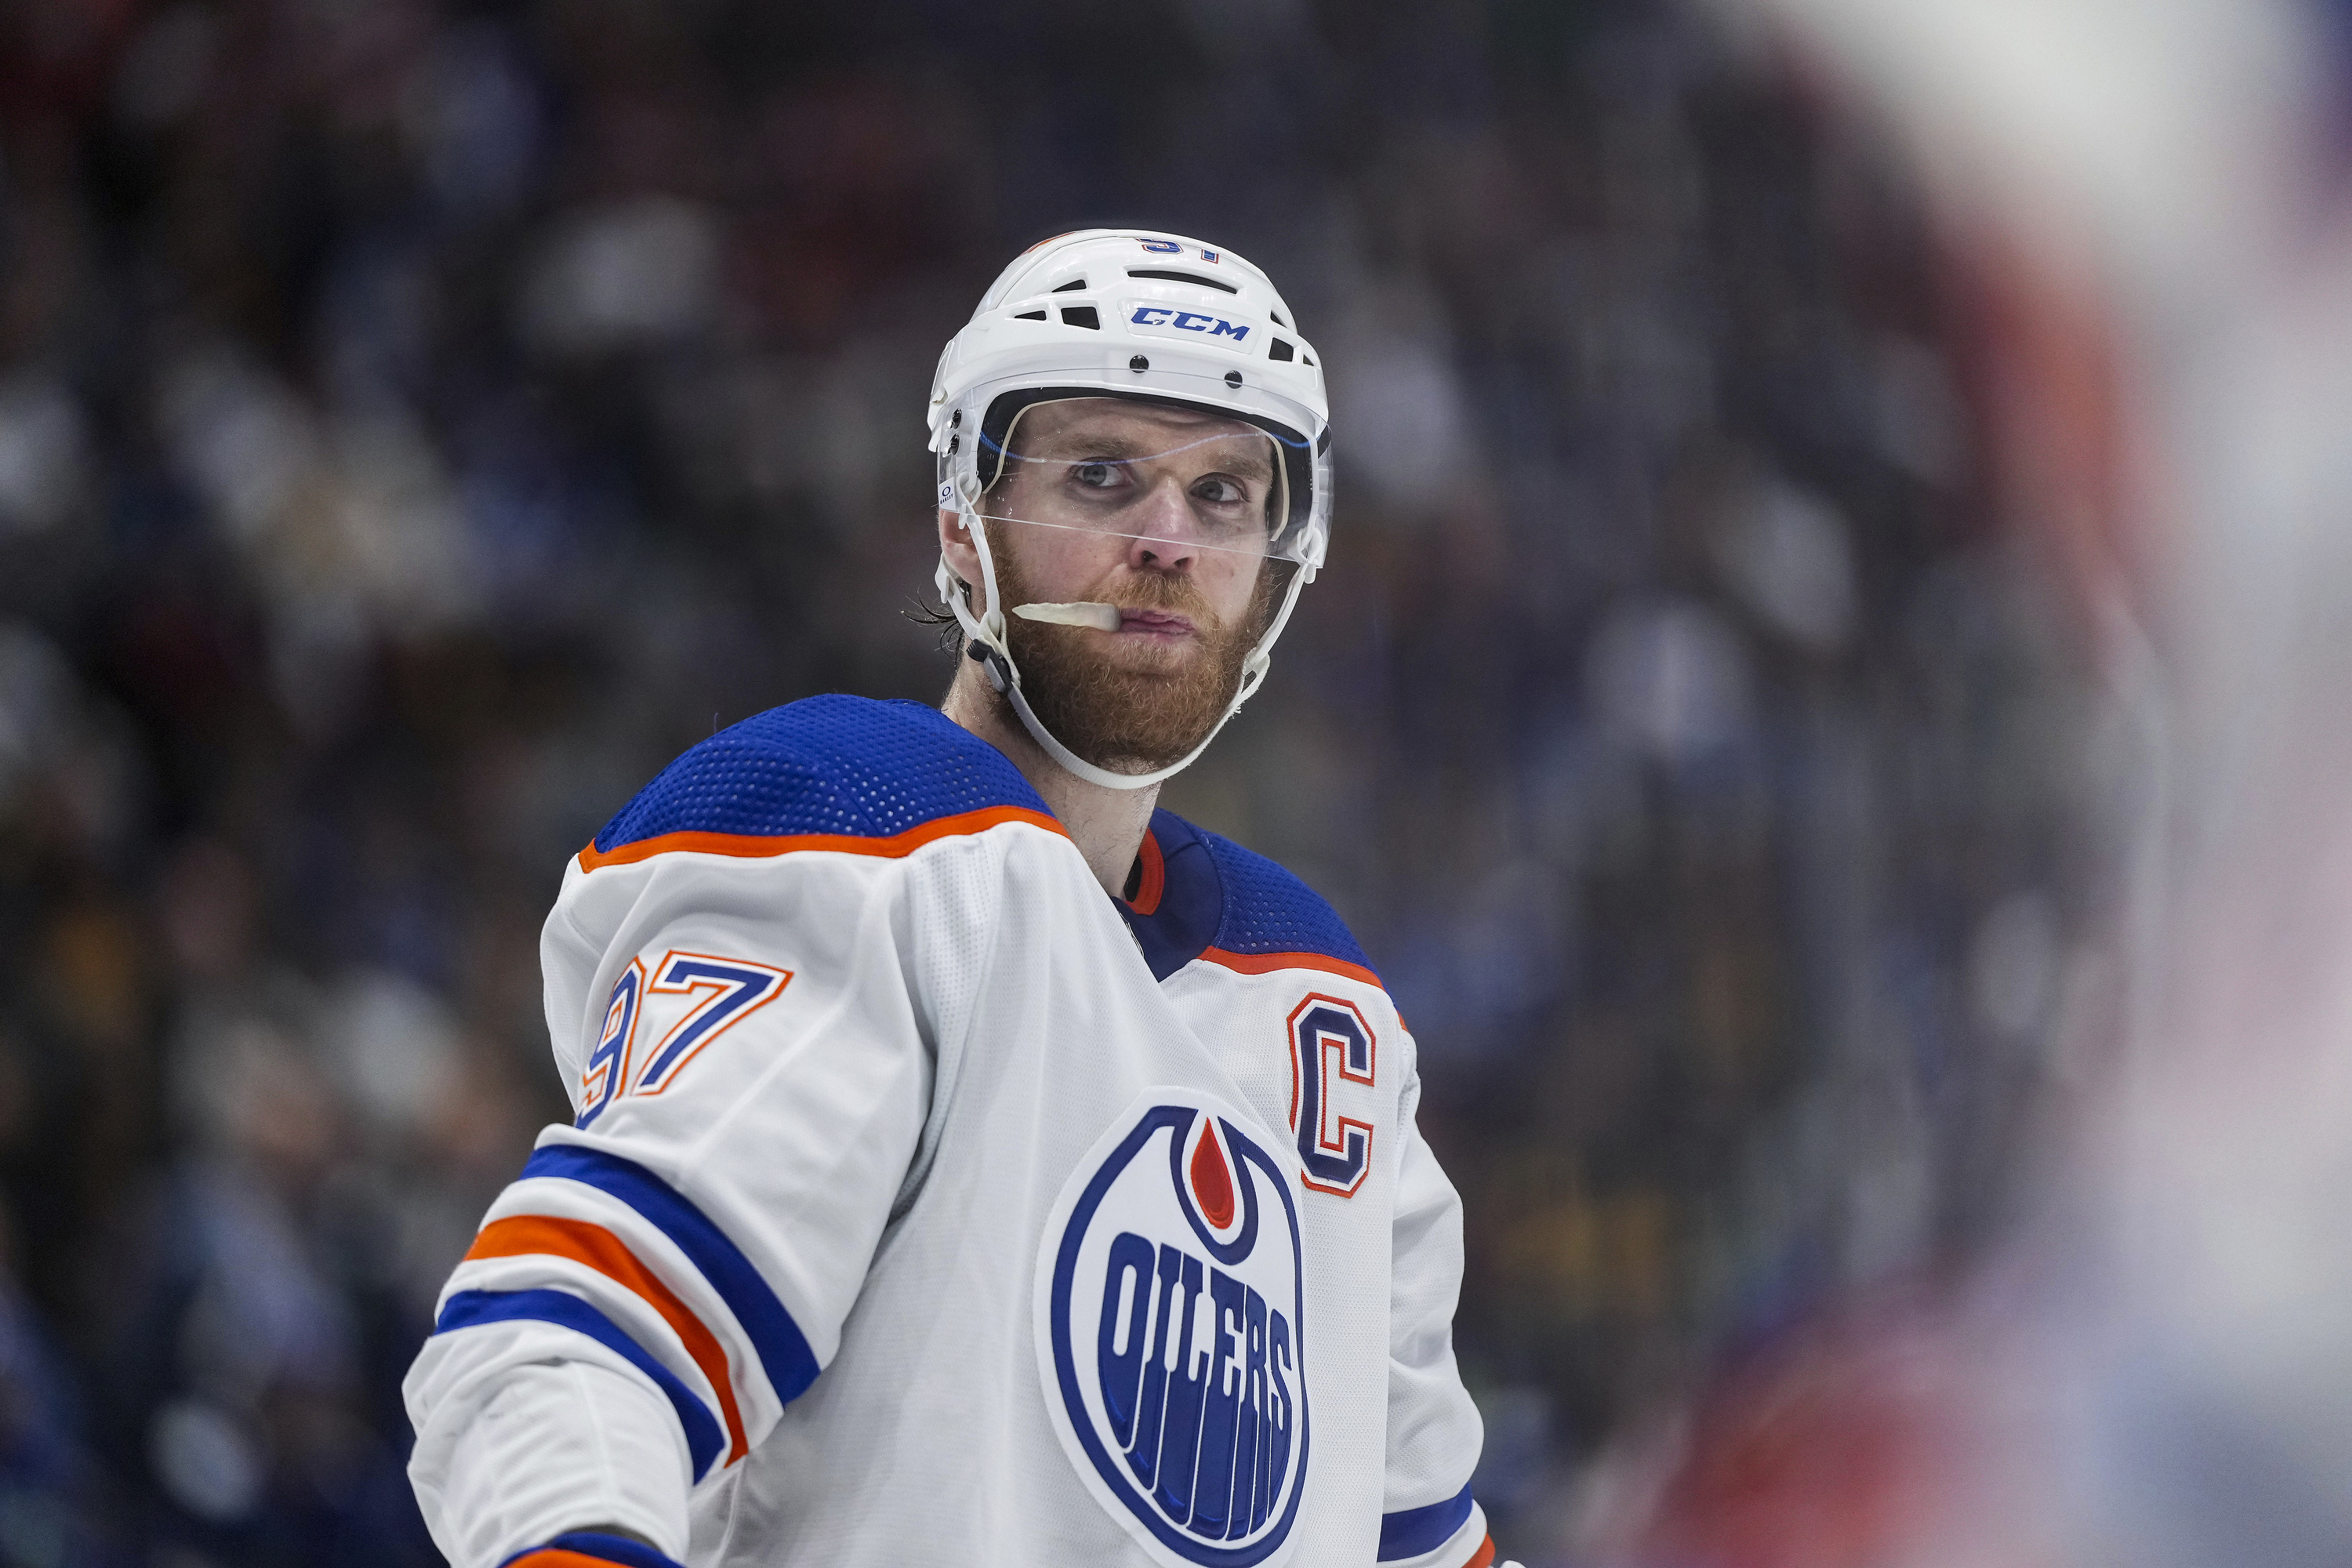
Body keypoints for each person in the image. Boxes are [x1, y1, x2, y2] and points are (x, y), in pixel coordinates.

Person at [402, 230, 1501, 1568]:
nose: (1168, 543)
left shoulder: (1327, 1017)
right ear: (963, 527)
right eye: (1103, 476)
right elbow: (575, 1347)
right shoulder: (869, 825)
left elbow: (1424, 1540)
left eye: (1223, 495)